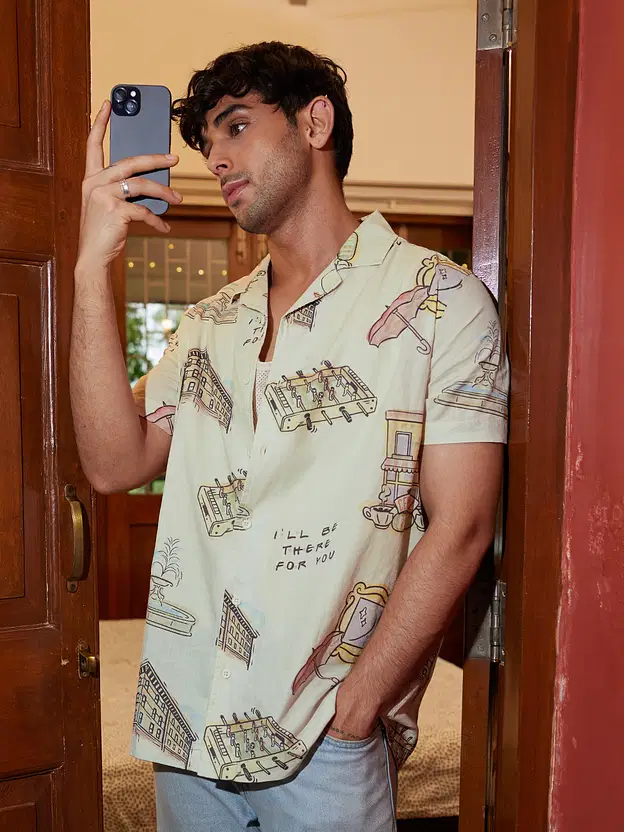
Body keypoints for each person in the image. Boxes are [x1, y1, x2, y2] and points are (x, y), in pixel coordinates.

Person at [72, 41, 508, 832]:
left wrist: (357, 708)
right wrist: (89, 267)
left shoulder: (440, 300)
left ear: (316, 122)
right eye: (208, 142)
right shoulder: (208, 324)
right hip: (187, 733)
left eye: (236, 125)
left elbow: (465, 524)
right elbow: (111, 463)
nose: (217, 159)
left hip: (325, 748)